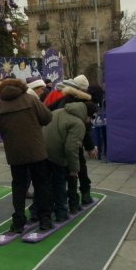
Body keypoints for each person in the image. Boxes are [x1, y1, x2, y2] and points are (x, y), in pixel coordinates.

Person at [0, 78, 54, 234]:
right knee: (41, 185)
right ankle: (45, 220)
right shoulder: (30, 99)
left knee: (19, 186)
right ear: (21, 86)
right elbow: (47, 117)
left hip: (15, 153)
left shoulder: (0, 105)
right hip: (36, 151)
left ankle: (18, 222)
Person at [40, 101, 96, 224]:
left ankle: (40, 213)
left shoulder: (57, 112)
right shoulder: (78, 123)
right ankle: (61, 213)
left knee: (44, 184)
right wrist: (74, 169)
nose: (88, 121)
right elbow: (71, 149)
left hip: (41, 151)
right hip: (56, 154)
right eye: (90, 118)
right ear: (87, 114)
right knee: (59, 183)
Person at [48, 75, 96, 210]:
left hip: (56, 141)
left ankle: (57, 202)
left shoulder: (62, 99)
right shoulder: (82, 104)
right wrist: (90, 146)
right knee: (76, 168)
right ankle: (77, 199)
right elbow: (82, 128)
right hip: (72, 141)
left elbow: (47, 111)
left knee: (58, 174)